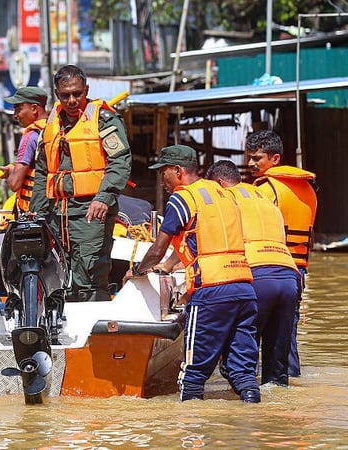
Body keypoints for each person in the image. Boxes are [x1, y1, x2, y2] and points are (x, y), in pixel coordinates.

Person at [124, 145, 260, 402]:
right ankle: (255, 425)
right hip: (244, 286)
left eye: (163, 172)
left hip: (211, 290)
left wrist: (136, 270)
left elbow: (158, 248)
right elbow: (205, 239)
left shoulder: (182, 198)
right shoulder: (224, 194)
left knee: (192, 375)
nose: (161, 179)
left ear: (177, 171)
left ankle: (189, 433)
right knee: (243, 373)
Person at [31, 64, 132, 302]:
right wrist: (35, 213)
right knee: (58, 275)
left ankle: (96, 326)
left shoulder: (104, 120)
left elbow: (120, 162)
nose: (72, 100)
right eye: (65, 95)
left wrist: (103, 198)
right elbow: (43, 172)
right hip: (58, 214)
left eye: (77, 93)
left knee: (89, 273)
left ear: (86, 89)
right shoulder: (51, 124)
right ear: (57, 95)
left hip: (91, 212)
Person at [206, 160, 301, 386]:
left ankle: (243, 413)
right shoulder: (264, 198)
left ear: (219, 183)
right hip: (289, 276)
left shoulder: (226, 199)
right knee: (277, 371)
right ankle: (276, 413)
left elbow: (217, 245)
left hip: (257, 275)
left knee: (237, 358)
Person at [247, 130, 317, 378]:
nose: (251, 164)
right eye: (250, 158)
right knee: (285, 338)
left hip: (267, 268)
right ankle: (288, 388)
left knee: (249, 334)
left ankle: (249, 388)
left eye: (257, 158)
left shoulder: (266, 189)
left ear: (275, 159)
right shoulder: (308, 188)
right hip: (296, 272)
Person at [0, 86, 49, 213]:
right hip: (52, 210)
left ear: (33, 108)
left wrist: (11, 172)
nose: (15, 115)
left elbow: (15, 184)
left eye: (18, 109)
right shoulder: (54, 129)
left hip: (33, 212)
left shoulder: (30, 137)